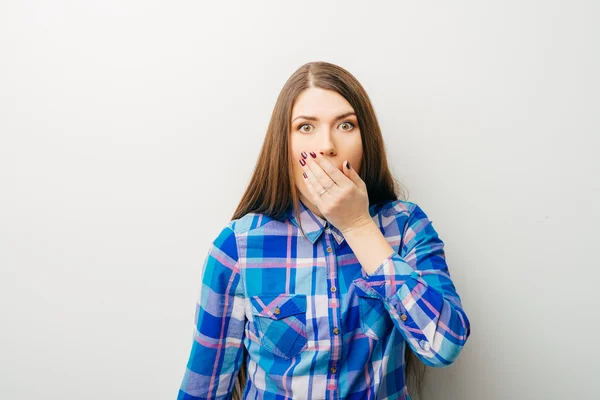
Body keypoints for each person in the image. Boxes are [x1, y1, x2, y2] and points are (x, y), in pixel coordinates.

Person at [176, 61, 471, 400]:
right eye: (305, 127)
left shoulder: (406, 227)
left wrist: (358, 226)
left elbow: (444, 347)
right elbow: (205, 387)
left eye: (345, 125)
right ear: (282, 144)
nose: (327, 145)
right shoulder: (237, 247)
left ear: (365, 140)